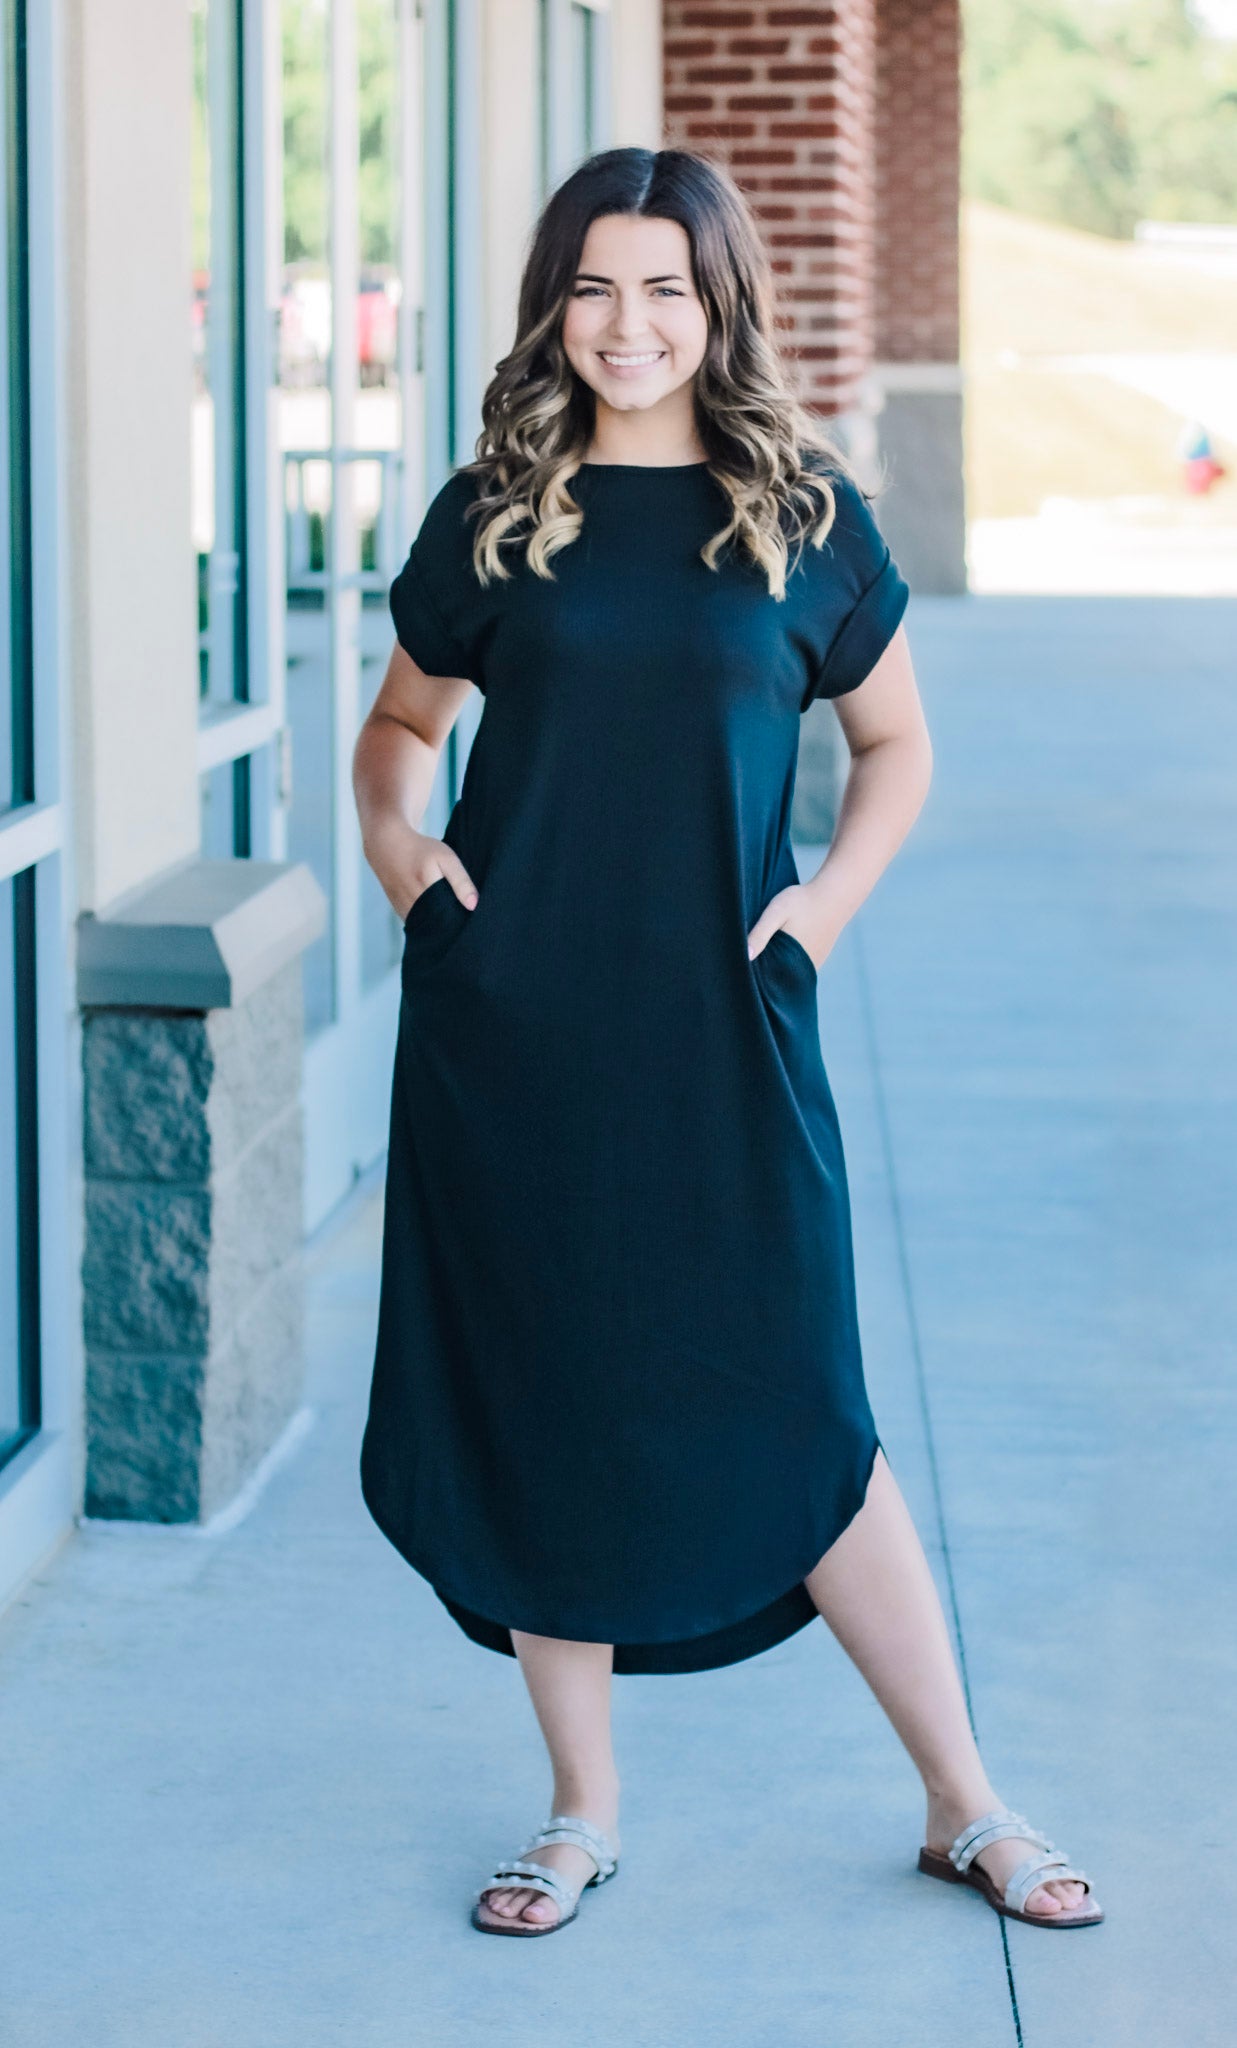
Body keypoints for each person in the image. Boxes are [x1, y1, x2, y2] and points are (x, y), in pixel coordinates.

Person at [352, 147, 1103, 1939]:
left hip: (722, 1028)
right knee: (544, 1390)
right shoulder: (496, 512)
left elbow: (896, 747)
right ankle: (578, 1809)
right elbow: (397, 730)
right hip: (512, 1033)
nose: (627, 325)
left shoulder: (800, 512)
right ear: (553, 305)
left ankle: (964, 1801)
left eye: (664, 290)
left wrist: (819, 913)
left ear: (717, 305)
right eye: (593, 288)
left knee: (801, 1403)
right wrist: (403, 857)